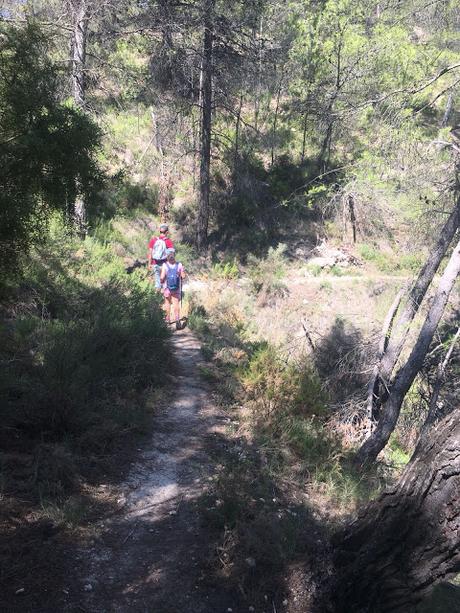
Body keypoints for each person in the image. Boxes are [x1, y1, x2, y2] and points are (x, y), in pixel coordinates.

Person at [160, 248, 185, 328]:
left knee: (167, 303)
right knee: (176, 303)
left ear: (167, 256)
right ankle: (177, 320)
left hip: (167, 288)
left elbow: (162, 277)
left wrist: (161, 282)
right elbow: (183, 276)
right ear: (174, 255)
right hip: (176, 288)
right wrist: (180, 273)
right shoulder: (179, 265)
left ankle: (168, 320)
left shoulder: (165, 265)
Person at [148, 224, 174, 290]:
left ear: (160, 231)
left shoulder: (153, 240)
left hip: (155, 263)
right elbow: (171, 255)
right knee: (165, 283)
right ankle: (164, 298)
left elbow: (150, 253)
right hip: (164, 265)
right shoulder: (168, 241)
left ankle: (157, 297)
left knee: (157, 283)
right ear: (167, 232)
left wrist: (149, 264)